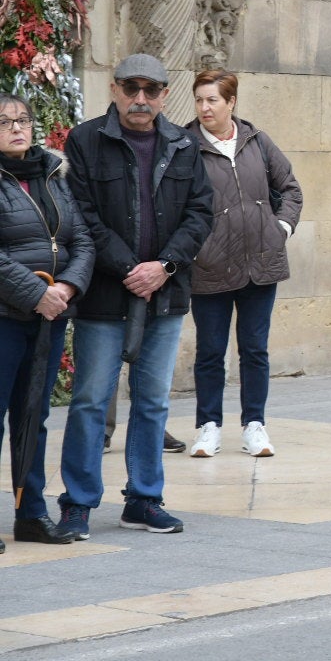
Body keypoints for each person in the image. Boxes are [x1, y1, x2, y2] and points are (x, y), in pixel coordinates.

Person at [57, 54, 214, 539]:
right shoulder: (86, 140)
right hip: (106, 295)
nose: (140, 99)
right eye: (131, 88)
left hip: (165, 296)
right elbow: (79, 214)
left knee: (152, 402)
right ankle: (79, 502)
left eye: (151, 90)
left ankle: (144, 499)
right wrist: (131, 269)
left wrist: (163, 267)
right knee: (89, 399)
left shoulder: (185, 144)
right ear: (114, 89)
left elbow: (202, 212)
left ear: (166, 95)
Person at [183, 70, 303, 459]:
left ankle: (255, 424)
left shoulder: (257, 141)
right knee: (210, 351)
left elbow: (290, 189)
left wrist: (280, 228)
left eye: (212, 100)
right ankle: (208, 427)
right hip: (209, 266)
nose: (204, 108)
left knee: (254, 349)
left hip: (260, 265)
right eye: (199, 100)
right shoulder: (185, 144)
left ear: (231, 102)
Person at [0, 95, 94, 547]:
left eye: (22, 120)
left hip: (49, 316)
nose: (16, 128)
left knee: (33, 416)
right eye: (4, 122)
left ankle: (30, 512)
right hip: (5, 315)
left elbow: (81, 241)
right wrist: (37, 292)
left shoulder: (53, 174)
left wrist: (66, 289)